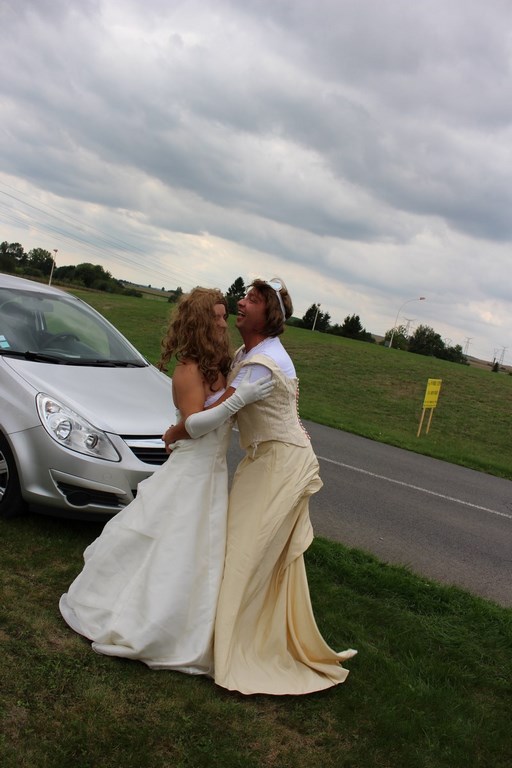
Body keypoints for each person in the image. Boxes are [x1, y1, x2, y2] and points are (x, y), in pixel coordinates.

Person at [59, 287, 273, 674]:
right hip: (191, 470)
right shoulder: (187, 369)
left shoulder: (218, 364)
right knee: (174, 543)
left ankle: (193, 622)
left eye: (225, 315)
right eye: (216, 317)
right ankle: (145, 620)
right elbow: (195, 424)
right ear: (200, 323)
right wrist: (237, 400)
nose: (223, 323)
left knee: (200, 549)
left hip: (211, 471)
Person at [165, 278, 357, 695]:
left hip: (281, 463)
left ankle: (229, 648)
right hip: (264, 460)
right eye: (244, 296)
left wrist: (178, 430)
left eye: (251, 299)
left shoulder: (262, 362)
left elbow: (216, 409)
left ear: (267, 315)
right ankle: (229, 635)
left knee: (243, 555)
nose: (241, 302)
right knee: (241, 550)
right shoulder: (246, 354)